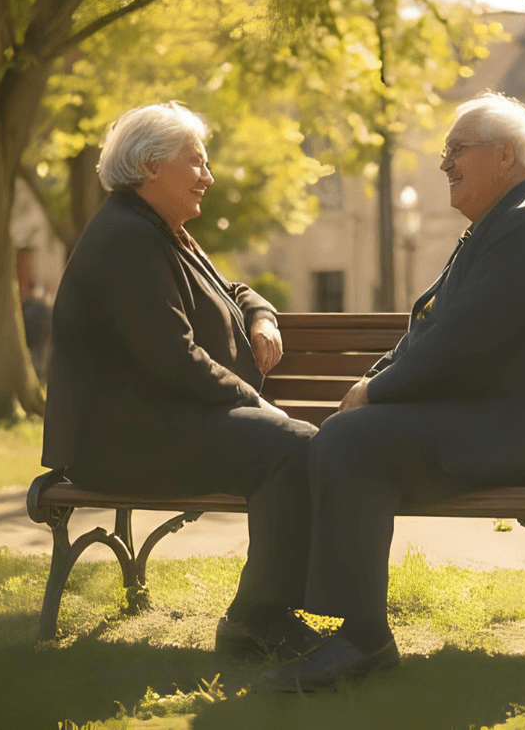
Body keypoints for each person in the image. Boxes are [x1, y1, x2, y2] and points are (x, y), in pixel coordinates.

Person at [263, 91, 525, 690]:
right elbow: (433, 330)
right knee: (347, 441)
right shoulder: (504, 222)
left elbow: (464, 341)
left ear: (504, 156)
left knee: (351, 443)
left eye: (457, 149)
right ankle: (301, 621)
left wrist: (377, 393)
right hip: (490, 421)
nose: (444, 163)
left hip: (523, 434)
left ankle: (360, 640)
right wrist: (373, 382)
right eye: (445, 150)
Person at [41, 102, 321, 660]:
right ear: (150, 166)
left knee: (293, 447)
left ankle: (271, 609)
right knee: (292, 447)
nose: (208, 177)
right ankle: (256, 620)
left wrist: (262, 314)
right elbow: (174, 359)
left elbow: (232, 291)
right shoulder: (128, 238)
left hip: (159, 426)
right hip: (125, 443)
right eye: (195, 163)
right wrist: (262, 407)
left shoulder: (159, 230)